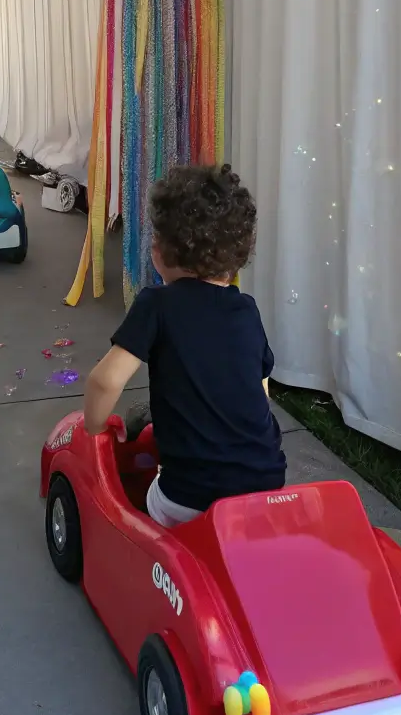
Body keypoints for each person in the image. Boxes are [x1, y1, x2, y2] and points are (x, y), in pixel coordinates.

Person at [83, 164, 285, 527]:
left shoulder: (156, 304)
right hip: (265, 487)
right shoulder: (246, 309)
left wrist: (95, 429)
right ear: (238, 253)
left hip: (190, 496)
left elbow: (105, 381)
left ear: (158, 250)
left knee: (143, 493)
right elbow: (260, 391)